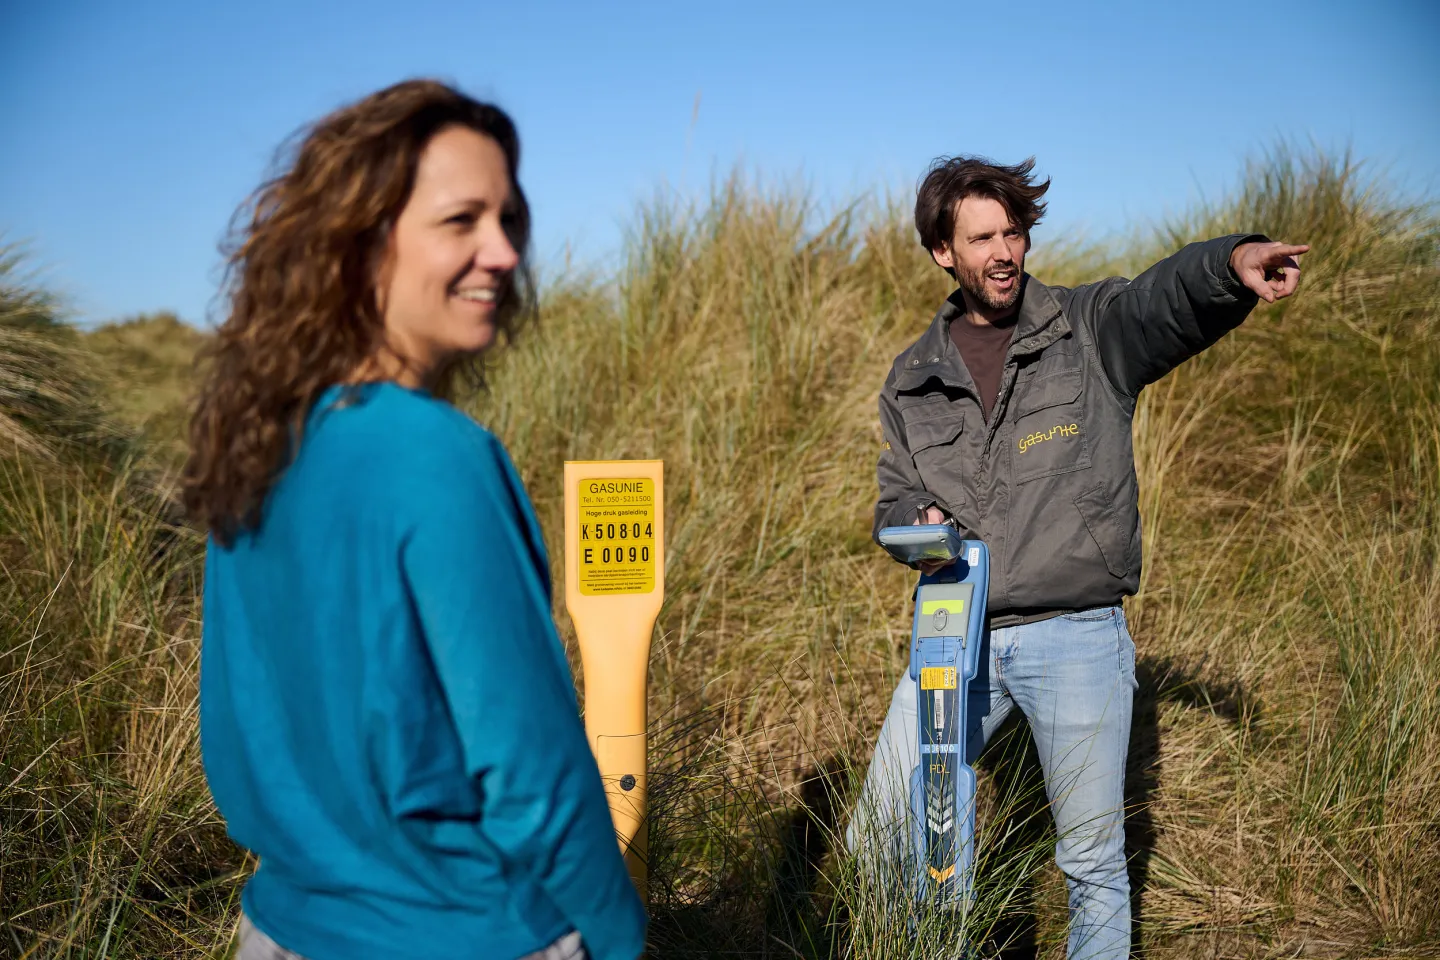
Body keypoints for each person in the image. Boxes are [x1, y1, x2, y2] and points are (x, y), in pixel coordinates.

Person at [184, 80, 646, 960]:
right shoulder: (435, 455)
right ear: (362, 246)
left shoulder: (257, 442)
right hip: (465, 929)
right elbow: (530, 768)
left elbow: (242, 718)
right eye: (460, 220)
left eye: (508, 218)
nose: (504, 252)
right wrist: (619, 936)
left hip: (282, 926)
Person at [847, 156, 1307, 959]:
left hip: (1077, 635)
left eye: (1015, 232)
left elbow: (1164, 301)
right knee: (886, 824)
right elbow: (892, 497)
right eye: (982, 236)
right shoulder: (911, 379)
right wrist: (910, 521)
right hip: (954, 640)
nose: (1004, 251)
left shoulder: (1087, 329)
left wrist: (1233, 265)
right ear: (942, 253)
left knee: (1091, 863)